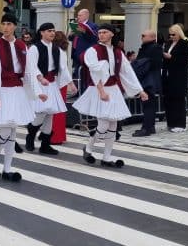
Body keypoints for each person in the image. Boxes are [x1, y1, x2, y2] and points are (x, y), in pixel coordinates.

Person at [73, 25, 148, 167]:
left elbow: (127, 73)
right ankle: (88, 147)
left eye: (104, 32)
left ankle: (106, 157)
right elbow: (95, 72)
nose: (101, 35)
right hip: (98, 89)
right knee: (103, 124)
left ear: (112, 34)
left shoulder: (118, 52)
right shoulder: (93, 50)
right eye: (99, 32)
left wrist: (140, 90)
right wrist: (101, 91)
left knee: (113, 124)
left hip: (113, 89)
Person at [0, 11, 36, 182]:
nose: (5, 27)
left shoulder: (21, 45)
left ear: (15, 26)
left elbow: (28, 70)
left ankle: (7, 167)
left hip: (17, 90)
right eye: (3, 24)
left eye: (9, 24)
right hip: (2, 90)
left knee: (12, 130)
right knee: (6, 128)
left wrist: (35, 92)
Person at [25, 22, 75, 155]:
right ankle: (30, 137)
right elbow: (31, 66)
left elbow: (63, 68)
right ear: (41, 33)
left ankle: (45, 145)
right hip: (39, 83)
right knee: (41, 113)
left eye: (53, 30)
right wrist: (40, 78)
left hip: (52, 84)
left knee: (50, 114)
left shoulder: (57, 49)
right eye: (48, 31)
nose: (52, 33)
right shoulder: (35, 48)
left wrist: (70, 82)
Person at [131, 30, 163, 137]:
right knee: (147, 104)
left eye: (144, 35)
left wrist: (140, 64)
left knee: (148, 104)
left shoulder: (155, 47)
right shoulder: (146, 47)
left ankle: (147, 128)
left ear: (152, 37)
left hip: (149, 80)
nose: (142, 37)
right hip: (146, 78)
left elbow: (153, 64)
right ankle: (150, 126)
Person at [161, 24, 188, 132]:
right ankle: (171, 122)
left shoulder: (184, 44)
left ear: (179, 33)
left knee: (178, 100)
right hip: (168, 74)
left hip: (179, 75)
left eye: (173, 34)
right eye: (170, 34)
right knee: (169, 99)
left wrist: (172, 57)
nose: (171, 36)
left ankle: (180, 124)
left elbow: (185, 60)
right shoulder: (168, 43)